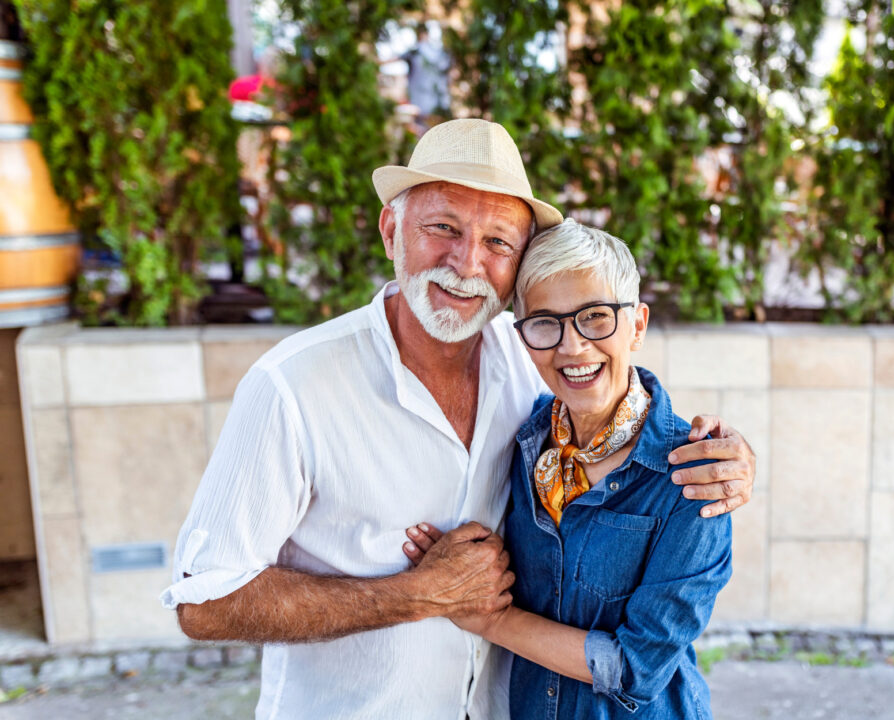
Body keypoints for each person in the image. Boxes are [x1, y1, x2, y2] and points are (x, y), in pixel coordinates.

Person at [160, 118, 756, 720]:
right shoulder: (291, 386)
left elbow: (612, 389)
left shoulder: (529, 358)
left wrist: (729, 454)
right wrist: (412, 595)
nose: (468, 264)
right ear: (391, 229)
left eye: (498, 243)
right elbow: (204, 603)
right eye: (442, 228)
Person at [403, 220, 731, 718]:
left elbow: (636, 667)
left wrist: (488, 619)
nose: (572, 346)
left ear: (637, 325)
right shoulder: (522, 439)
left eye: (596, 317)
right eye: (545, 323)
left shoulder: (693, 478)